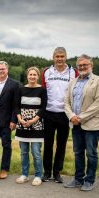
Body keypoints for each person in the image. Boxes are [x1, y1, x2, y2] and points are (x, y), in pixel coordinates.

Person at [41, 47, 78, 183]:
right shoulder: (46, 72)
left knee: (61, 145)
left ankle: (57, 173)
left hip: (65, 113)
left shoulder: (73, 72)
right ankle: (47, 172)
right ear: (53, 57)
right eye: (57, 56)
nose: (60, 59)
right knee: (48, 144)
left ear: (66, 57)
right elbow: (44, 92)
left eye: (62, 56)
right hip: (49, 113)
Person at [64, 54, 99, 191]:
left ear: (91, 66)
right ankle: (78, 179)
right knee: (78, 152)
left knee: (91, 153)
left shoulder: (97, 81)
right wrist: (72, 116)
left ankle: (90, 180)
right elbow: (66, 102)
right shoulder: (73, 82)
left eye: (85, 65)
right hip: (75, 123)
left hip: (91, 124)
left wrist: (81, 117)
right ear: (77, 67)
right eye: (80, 65)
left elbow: (97, 104)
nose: (82, 67)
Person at [15, 67, 47, 186]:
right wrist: (20, 119)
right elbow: (16, 106)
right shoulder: (21, 89)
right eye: (30, 74)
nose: (32, 76)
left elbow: (43, 108)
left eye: (34, 75)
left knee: (36, 152)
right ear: (27, 76)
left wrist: (33, 120)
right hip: (22, 124)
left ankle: (38, 175)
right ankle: (24, 175)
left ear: (38, 76)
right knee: (23, 152)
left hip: (37, 125)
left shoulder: (42, 90)